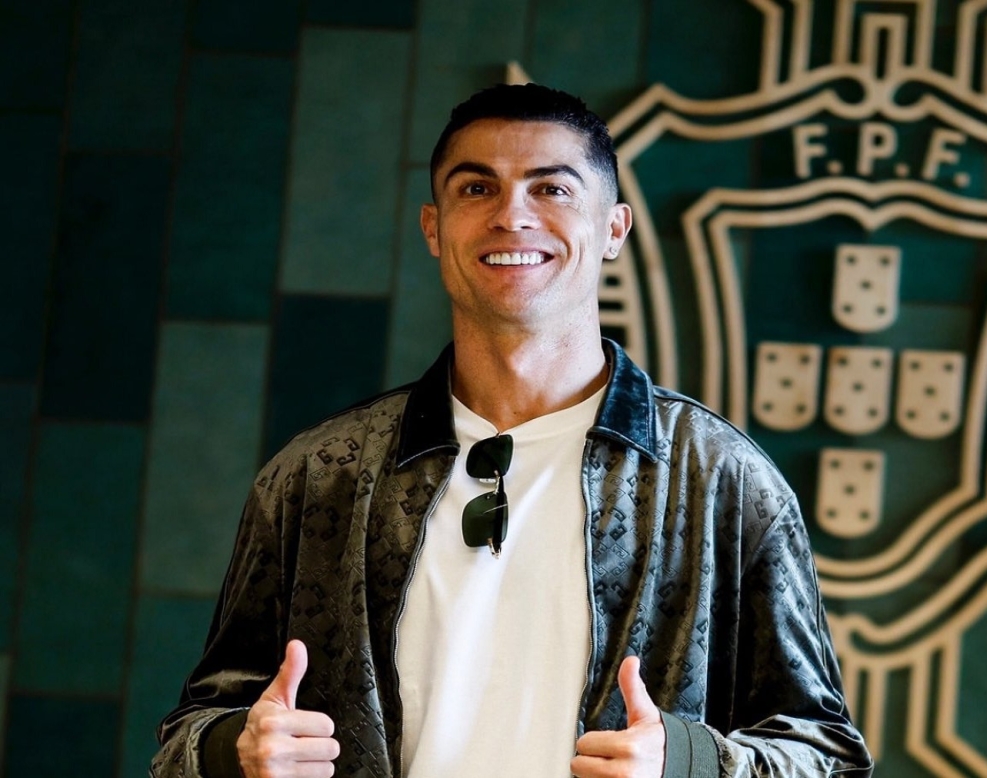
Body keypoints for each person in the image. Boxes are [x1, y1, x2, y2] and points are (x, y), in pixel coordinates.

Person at [151, 83, 874, 778]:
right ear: (434, 228)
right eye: (476, 188)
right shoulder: (322, 475)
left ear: (613, 229)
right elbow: (185, 739)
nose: (511, 215)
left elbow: (829, 757)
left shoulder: (718, 480)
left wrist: (686, 763)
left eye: (551, 189)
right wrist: (236, 752)